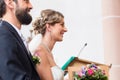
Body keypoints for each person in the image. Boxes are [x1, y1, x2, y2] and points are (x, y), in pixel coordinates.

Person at [0, 0, 40, 80]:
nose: (30, 6)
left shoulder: (12, 34)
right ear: (10, 3)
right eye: (26, 1)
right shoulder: (3, 34)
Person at [29, 9, 68, 80]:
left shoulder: (48, 52)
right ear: (49, 27)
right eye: (62, 25)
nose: (65, 29)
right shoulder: (40, 52)